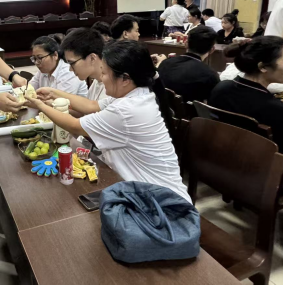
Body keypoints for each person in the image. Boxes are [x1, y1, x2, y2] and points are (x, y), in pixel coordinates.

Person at [27, 40, 190, 203]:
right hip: (138, 190)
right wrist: (53, 93)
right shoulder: (135, 94)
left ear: (125, 78)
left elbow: (74, 126)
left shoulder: (127, 109)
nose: (101, 78)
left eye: (104, 73)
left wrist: (40, 105)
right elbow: (91, 105)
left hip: (161, 200)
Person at [209, 36, 283, 156]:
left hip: (219, 154)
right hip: (257, 163)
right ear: (263, 67)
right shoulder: (275, 109)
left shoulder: (221, 88)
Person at [158, 26, 220, 102]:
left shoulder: (165, 63)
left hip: (162, 107)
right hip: (191, 110)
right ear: (212, 49)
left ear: (186, 44)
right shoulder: (210, 75)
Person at [59, 28, 108, 102]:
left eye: (72, 63)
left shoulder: (115, 88)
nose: (70, 69)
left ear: (92, 58)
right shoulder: (96, 81)